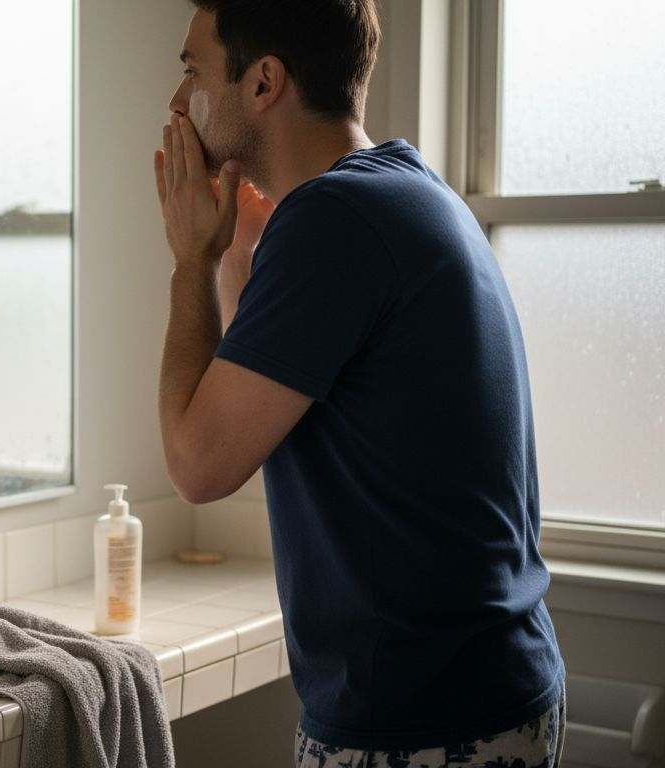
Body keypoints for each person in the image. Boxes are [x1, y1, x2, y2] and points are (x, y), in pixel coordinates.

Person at [153, 1, 565, 765]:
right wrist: (239, 240)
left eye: (192, 71)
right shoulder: (400, 189)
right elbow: (258, 403)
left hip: (425, 724)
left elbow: (198, 462)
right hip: (487, 690)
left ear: (265, 81)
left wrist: (190, 262)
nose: (176, 103)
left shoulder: (334, 221)